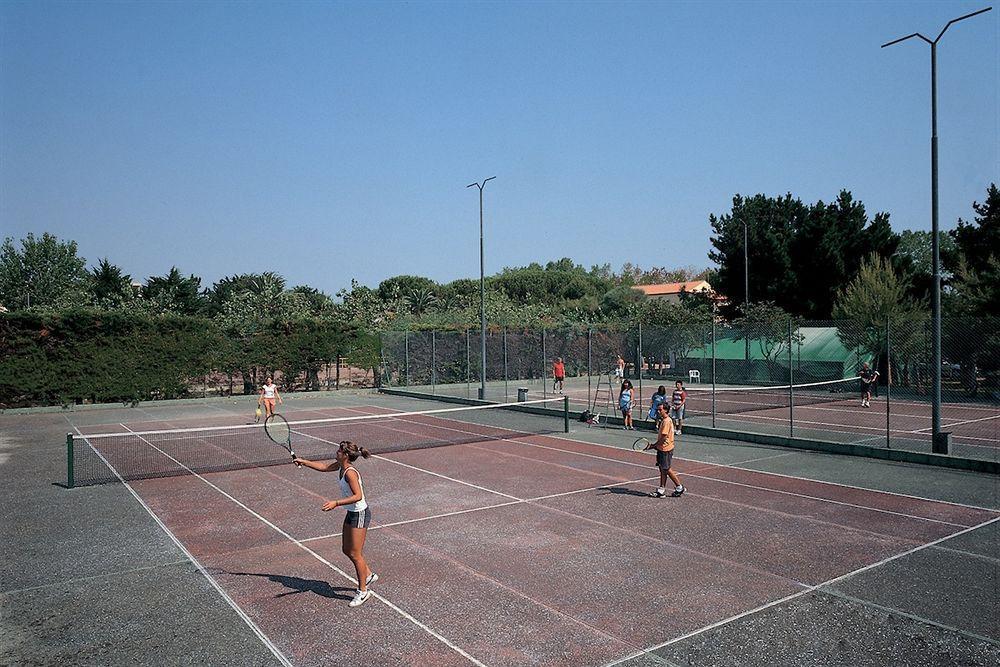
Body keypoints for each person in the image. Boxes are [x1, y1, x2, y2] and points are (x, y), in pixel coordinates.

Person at [295, 441, 378, 608]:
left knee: (355, 554)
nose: (336, 452)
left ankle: (363, 591)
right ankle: (368, 574)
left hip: (359, 514)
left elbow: (358, 496)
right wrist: (304, 461)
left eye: (339, 450)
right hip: (351, 513)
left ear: (346, 455)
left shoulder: (350, 473)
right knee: (346, 550)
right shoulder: (340, 466)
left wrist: (336, 503)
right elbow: (324, 467)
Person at [645, 403, 685, 498]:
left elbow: (663, 437)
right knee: (662, 469)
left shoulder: (666, 421)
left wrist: (653, 445)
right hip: (662, 448)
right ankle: (661, 489)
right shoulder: (664, 420)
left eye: (660, 410)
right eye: (658, 410)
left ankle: (679, 487)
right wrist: (656, 446)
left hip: (665, 449)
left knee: (666, 469)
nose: (658, 412)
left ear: (666, 410)